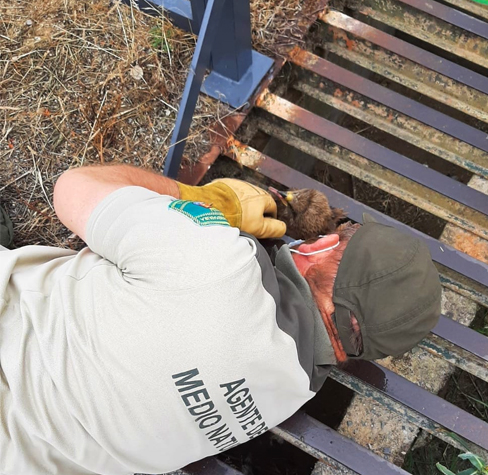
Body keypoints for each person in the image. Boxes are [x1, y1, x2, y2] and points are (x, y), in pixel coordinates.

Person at [0, 164, 442, 475]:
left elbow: (71, 188)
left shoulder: (218, 260)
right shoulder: (291, 391)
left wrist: (208, 204)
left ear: (320, 251)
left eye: (337, 240)